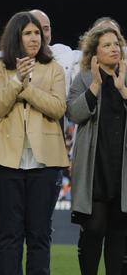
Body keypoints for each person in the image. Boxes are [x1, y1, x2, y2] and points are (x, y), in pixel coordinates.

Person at [0, 11, 68, 275]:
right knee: (9, 235)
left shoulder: (54, 68)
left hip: (45, 161)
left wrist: (26, 89)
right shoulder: (0, 68)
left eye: (38, 33)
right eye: (28, 33)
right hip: (6, 161)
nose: (36, 38)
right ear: (16, 37)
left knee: (39, 234)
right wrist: (16, 80)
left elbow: (57, 108)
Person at [68, 25, 127, 274]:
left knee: (119, 236)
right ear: (94, 53)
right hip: (95, 169)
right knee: (93, 231)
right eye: (107, 45)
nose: (114, 48)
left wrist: (123, 89)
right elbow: (74, 113)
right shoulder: (82, 78)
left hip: (122, 172)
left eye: (116, 44)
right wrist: (94, 85)